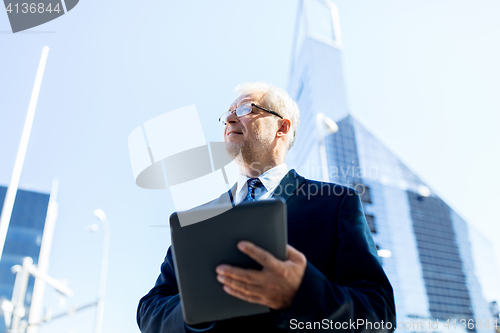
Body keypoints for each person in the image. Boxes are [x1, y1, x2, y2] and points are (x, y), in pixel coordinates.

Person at [137, 82, 396, 332]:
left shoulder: (337, 203)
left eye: (244, 110)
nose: (229, 120)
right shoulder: (194, 220)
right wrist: (199, 308)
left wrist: (302, 294)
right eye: (227, 114)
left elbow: (379, 314)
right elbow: (150, 310)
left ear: (281, 127)